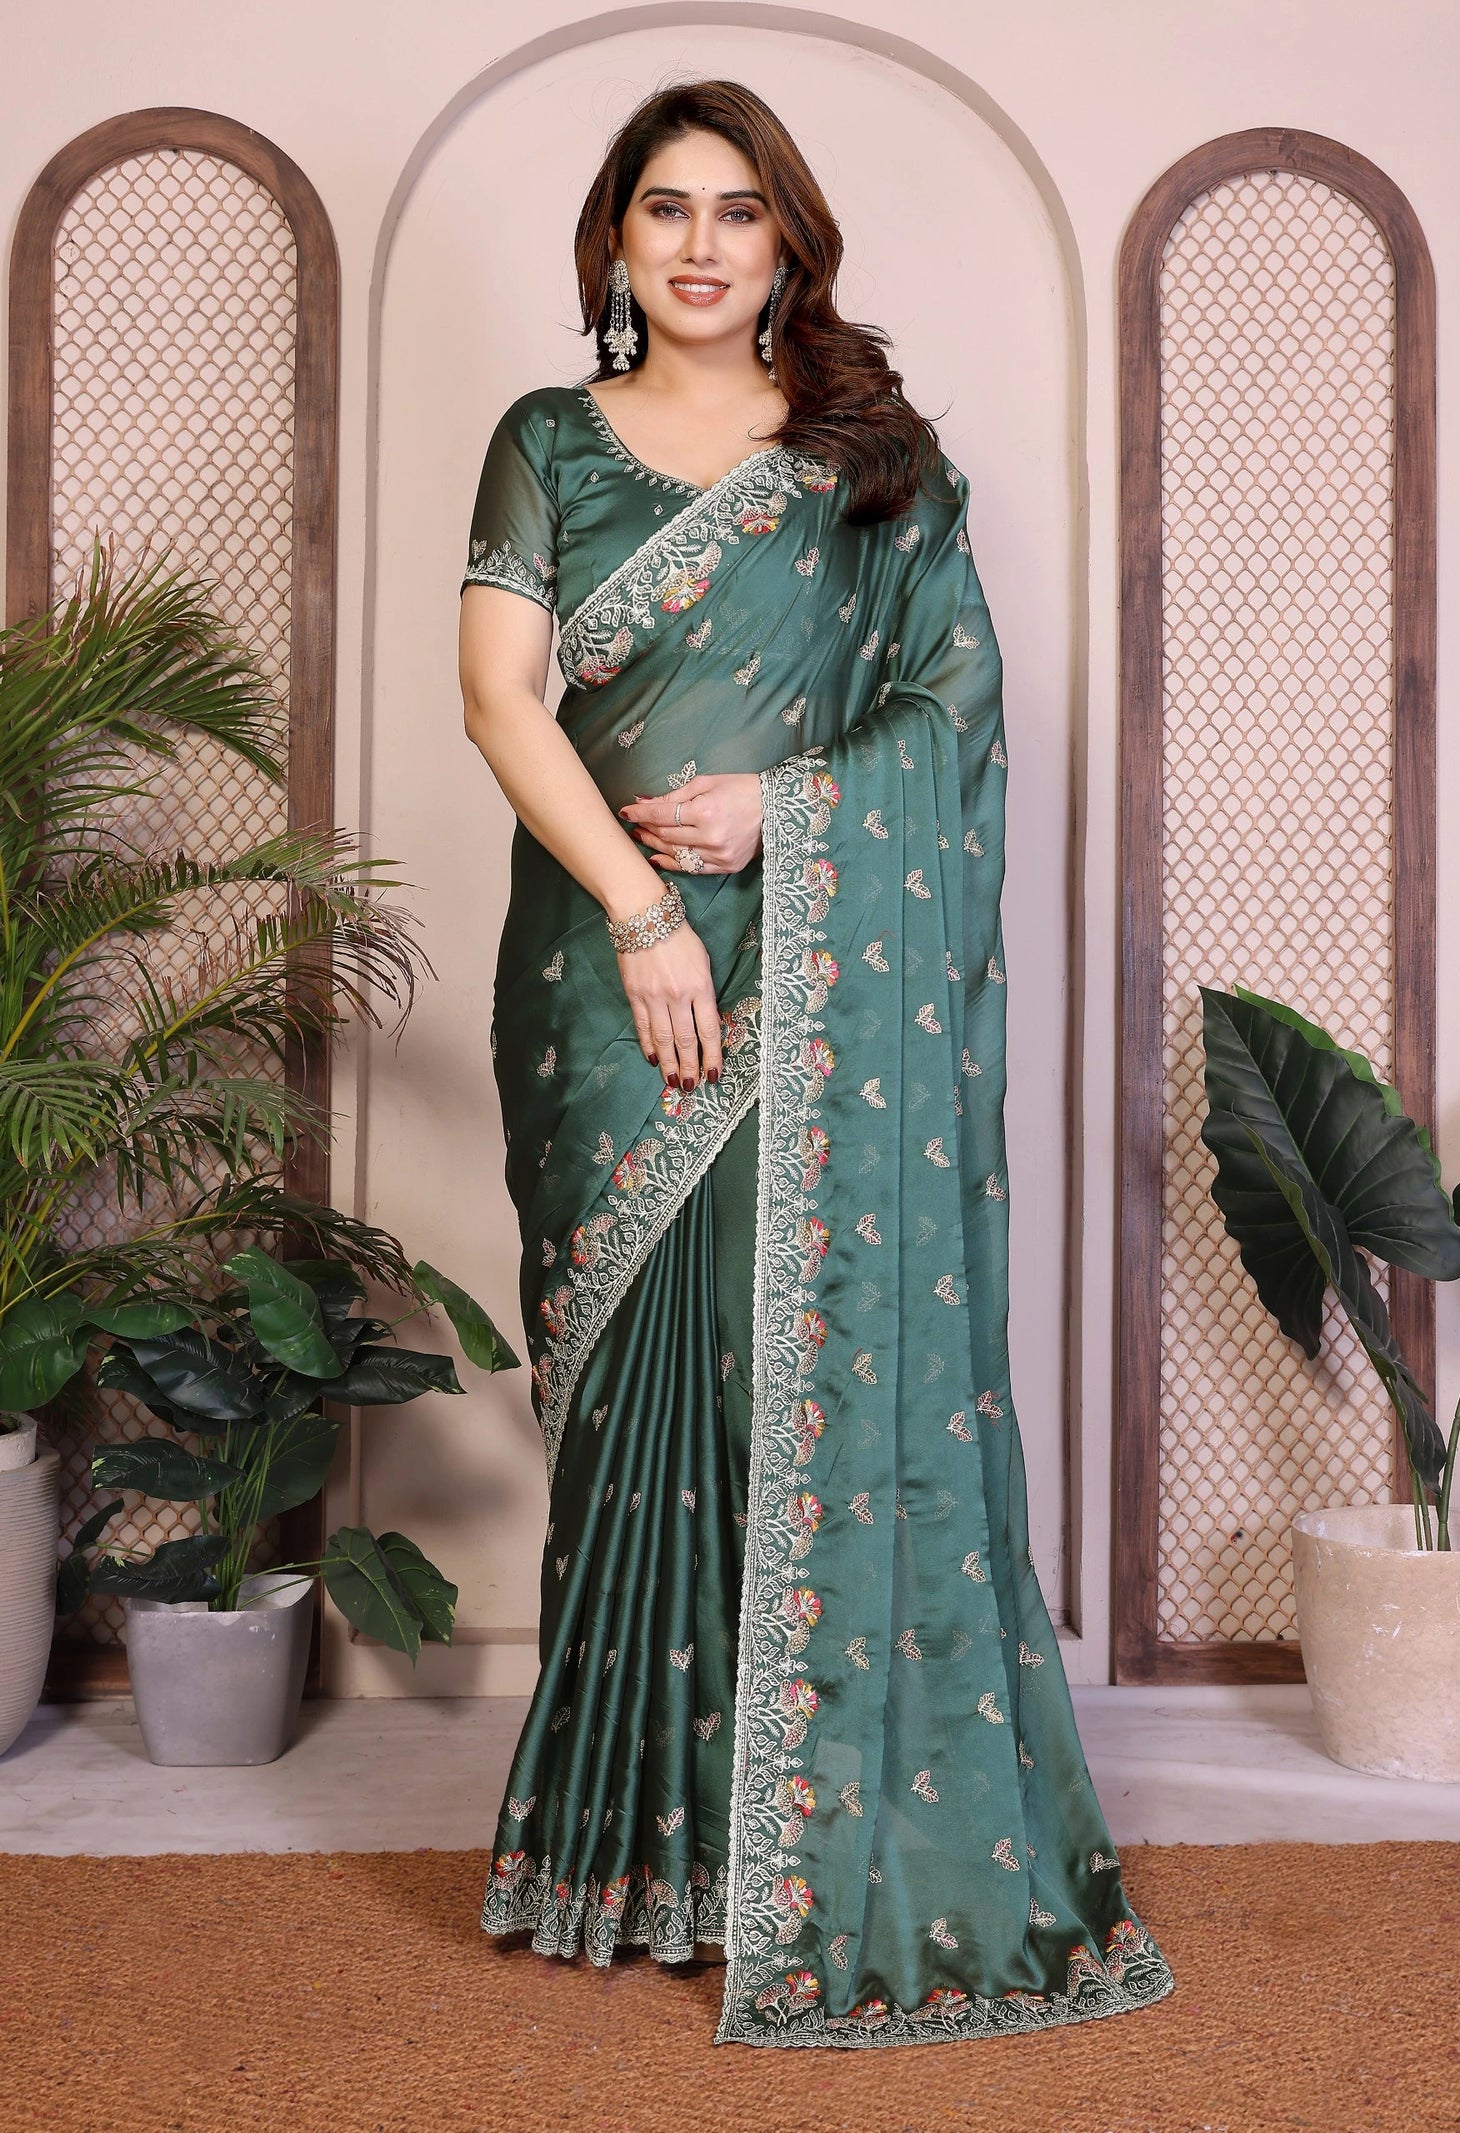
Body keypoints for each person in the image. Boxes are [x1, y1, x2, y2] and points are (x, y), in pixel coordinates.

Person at [457, 77, 1173, 2051]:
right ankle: (625, 1845)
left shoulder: (870, 465)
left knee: (787, 1374)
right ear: (614, 239)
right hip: (607, 976)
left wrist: (787, 814)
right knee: (638, 1395)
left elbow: (953, 710)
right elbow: (494, 698)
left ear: (789, 242)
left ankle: (792, 1837)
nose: (698, 244)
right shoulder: (546, 443)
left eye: (737, 212)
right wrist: (639, 908)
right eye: (663, 209)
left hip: (814, 970)